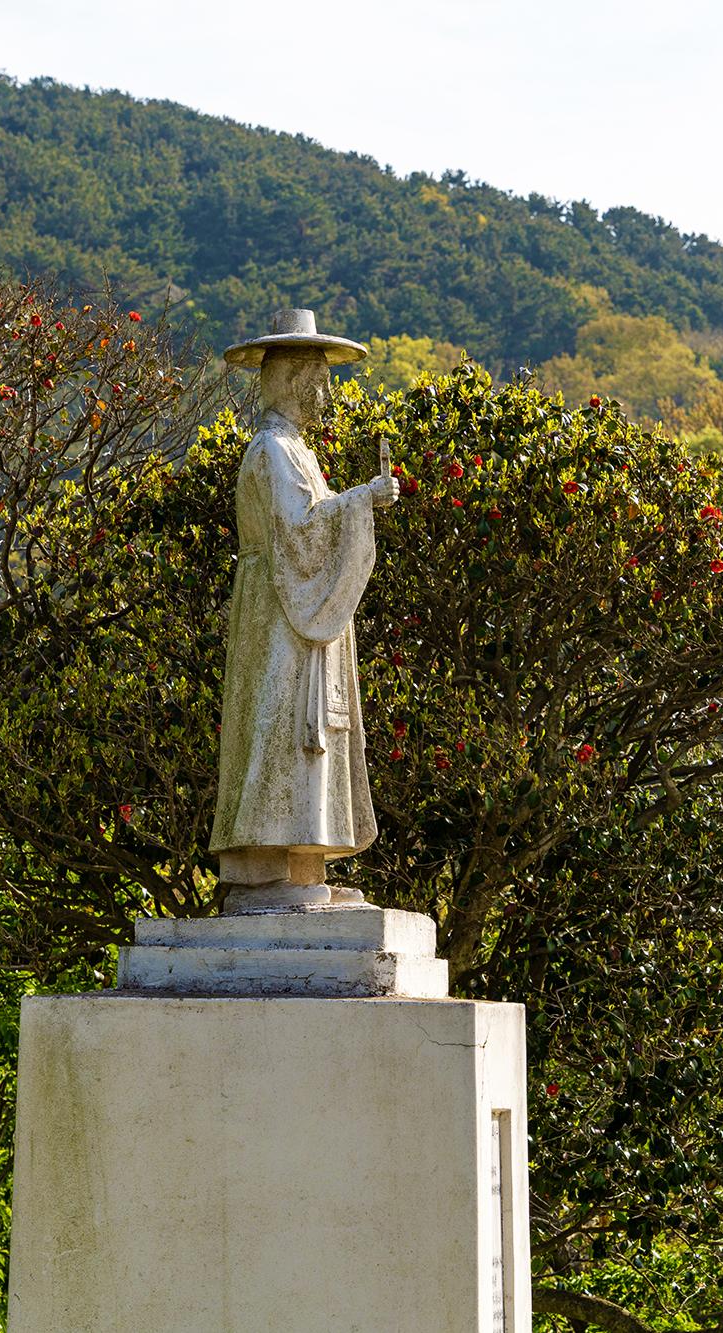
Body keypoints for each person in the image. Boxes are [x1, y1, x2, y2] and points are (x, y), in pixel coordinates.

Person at [208, 310, 399, 910]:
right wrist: (364, 497)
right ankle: (269, 869)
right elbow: (298, 531)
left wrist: (354, 502)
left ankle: (302, 867)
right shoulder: (274, 449)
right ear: (290, 380)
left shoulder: (294, 450)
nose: (327, 395)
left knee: (300, 730)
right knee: (282, 725)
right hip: (281, 609)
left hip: (292, 605)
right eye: (317, 381)